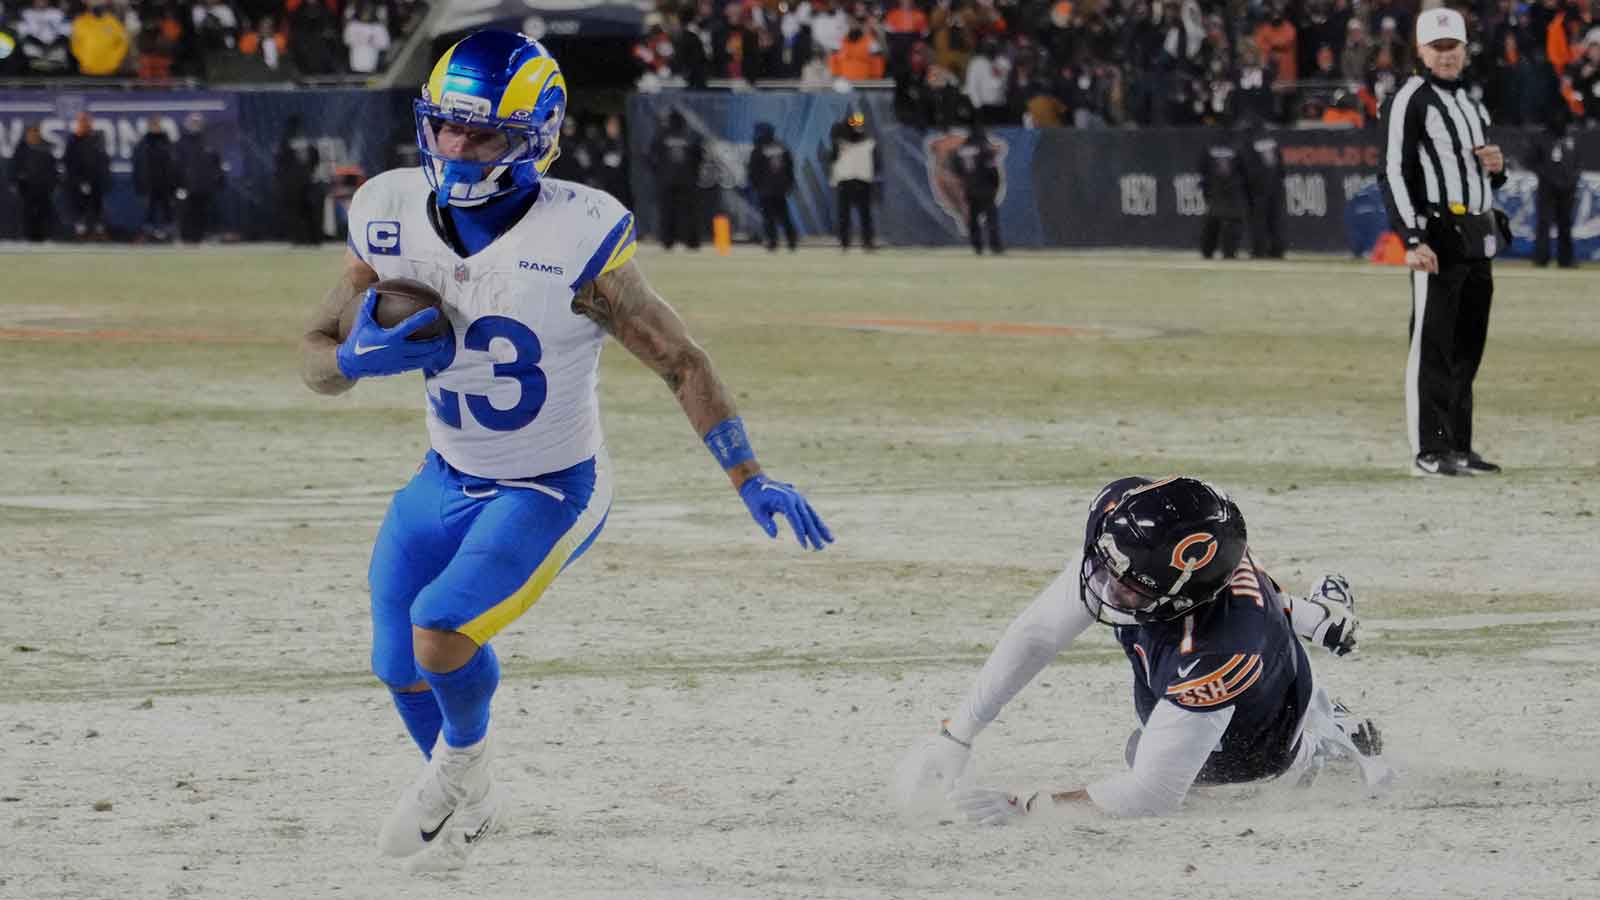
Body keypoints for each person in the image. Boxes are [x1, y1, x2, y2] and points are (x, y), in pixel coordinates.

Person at [298, 30, 833, 875]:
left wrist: (749, 475)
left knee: (441, 628)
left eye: (482, 133)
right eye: (445, 126)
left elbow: (680, 360)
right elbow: (315, 359)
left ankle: (461, 773)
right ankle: (474, 796)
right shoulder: (388, 210)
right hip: (446, 475)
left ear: (536, 136)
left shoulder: (577, 235)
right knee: (396, 662)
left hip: (548, 485)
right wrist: (355, 360)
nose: (457, 147)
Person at [894, 476, 1390, 824]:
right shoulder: (1137, 526)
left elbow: (1151, 794)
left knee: (1176, 764)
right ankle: (1320, 622)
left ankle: (1318, 746)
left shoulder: (1218, 648)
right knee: (1157, 715)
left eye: (1128, 587)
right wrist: (959, 733)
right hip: (1251, 630)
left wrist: (1031, 806)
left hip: (1257, 733)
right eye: (1106, 567)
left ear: (1184, 598)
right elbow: (1040, 631)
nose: (1105, 587)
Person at [1379, 8, 1506, 477]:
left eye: (1453, 46)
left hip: (1477, 233)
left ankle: (1459, 445)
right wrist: (1412, 237)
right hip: (1436, 233)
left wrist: (1497, 167)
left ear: (1465, 49)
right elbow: (1392, 171)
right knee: (1432, 345)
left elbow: (1481, 173)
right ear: (1421, 51)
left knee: (1467, 346)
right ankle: (1429, 449)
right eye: (1438, 48)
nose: (1447, 55)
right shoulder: (1410, 98)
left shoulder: (1472, 103)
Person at [1527, 114, 1580, 269]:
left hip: (1567, 188)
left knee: (1565, 223)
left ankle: (1566, 259)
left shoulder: (1571, 138)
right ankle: (1541, 258)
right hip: (1547, 188)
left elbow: (1578, 161)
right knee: (1544, 222)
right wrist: (1546, 176)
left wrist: (1572, 179)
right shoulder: (1541, 138)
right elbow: (1531, 160)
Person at [647, 109, 704, 250]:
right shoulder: (690, 135)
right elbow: (699, 157)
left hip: (668, 181)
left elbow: (651, 157)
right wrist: (693, 174)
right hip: (686, 181)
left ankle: (668, 241)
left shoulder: (662, 135)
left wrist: (660, 174)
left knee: (668, 212)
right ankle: (690, 241)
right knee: (687, 212)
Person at [829, 108, 878, 251]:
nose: (857, 126)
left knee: (863, 214)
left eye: (859, 123)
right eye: (854, 123)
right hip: (848, 180)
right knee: (846, 214)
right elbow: (833, 158)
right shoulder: (841, 143)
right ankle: (846, 242)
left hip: (860, 180)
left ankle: (865, 242)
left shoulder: (868, 142)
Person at [950, 122, 1002, 256]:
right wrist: (995, 186)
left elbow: (956, 169)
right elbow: (992, 170)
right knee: (991, 218)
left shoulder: (960, 149)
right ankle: (995, 246)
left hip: (970, 189)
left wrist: (966, 181)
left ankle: (977, 246)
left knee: (973, 219)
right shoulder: (985, 148)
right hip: (986, 188)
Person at [746, 121, 797, 252]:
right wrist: (789, 184)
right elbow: (790, 167)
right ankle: (791, 241)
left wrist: (755, 185)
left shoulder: (758, 149)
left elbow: (753, 170)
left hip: (765, 189)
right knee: (784, 216)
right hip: (780, 189)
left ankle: (773, 242)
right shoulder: (782, 147)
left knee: (768, 218)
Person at [174, 113, 225, 243]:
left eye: (197, 122)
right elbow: (176, 166)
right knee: (187, 212)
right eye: (193, 122)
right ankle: (187, 237)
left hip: (205, 187)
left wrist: (218, 180)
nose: (195, 125)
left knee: (206, 212)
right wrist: (178, 184)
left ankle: (205, 235)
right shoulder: (181, 144)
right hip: (187, 187)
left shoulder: (209, 143)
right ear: (187, 125)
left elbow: (217, 164)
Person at [275, 115, 323, 245]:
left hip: (298, 182)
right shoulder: (303, 142)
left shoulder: (288, 143)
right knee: (304, 210)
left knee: (301, 210)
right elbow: (315, 158)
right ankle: (308, 238)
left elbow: (281, 162)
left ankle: (305, 238)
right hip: (302, 181)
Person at [1239, 122, 1285, 259]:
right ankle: (1277, 250)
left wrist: (1247, 188)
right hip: (1275, 187)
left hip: (1257, 189)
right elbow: (1281, 168)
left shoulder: (1248, 143)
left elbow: (1248, 168)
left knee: (1257, 221)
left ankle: (1259, 251)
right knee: (1274, 220)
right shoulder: (1272, 142)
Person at [62, 112, 111, 240]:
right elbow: (69, 162)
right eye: (82, 121)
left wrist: (102, 178)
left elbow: (102, 159)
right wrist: (79, 181)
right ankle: (80, 232)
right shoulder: (73, 140)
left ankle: (99, 232)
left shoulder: (97, 138)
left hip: (96, 180)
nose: (85, 124)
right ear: (79, 123)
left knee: (97, 207)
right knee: (79, 208)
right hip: (79, 181)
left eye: (87, 121)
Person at [1198, 138, 1246, 259]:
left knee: (1213, 221)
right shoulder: (1239, 145)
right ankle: (1228, 252)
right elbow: (1246, 170)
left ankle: (1207, 252)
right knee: (1231, 222)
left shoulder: (1209, 145)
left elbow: (1202, 169)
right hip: (1231, 191)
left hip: (1216, 189)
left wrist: (1206, 189)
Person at [9, 124, 59, 242]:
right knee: (27, 213)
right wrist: (15, 181)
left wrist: (54, 183)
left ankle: (43, 237)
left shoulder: (46, 148)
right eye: (31, 133)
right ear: (27, 135)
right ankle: (27, 237)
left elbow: (52, 168)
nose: (33, 135)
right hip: (26, 188)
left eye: (35, 133)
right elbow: (14, 167)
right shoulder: (21, 149)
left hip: (43, 188)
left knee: (43, 213)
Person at [132, 116, 176, 241]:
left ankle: (169, 234)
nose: (155, 128)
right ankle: (148, 234)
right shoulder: (143, 144)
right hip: (149, 185)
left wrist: (173, 184)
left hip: (165, 184)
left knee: (167, 211)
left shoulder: (167, 143)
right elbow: (138, 166)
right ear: (148, 127)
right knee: (149, 211)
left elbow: (173, 165)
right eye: (152, 125)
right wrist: (140, 185)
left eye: (156, 125)